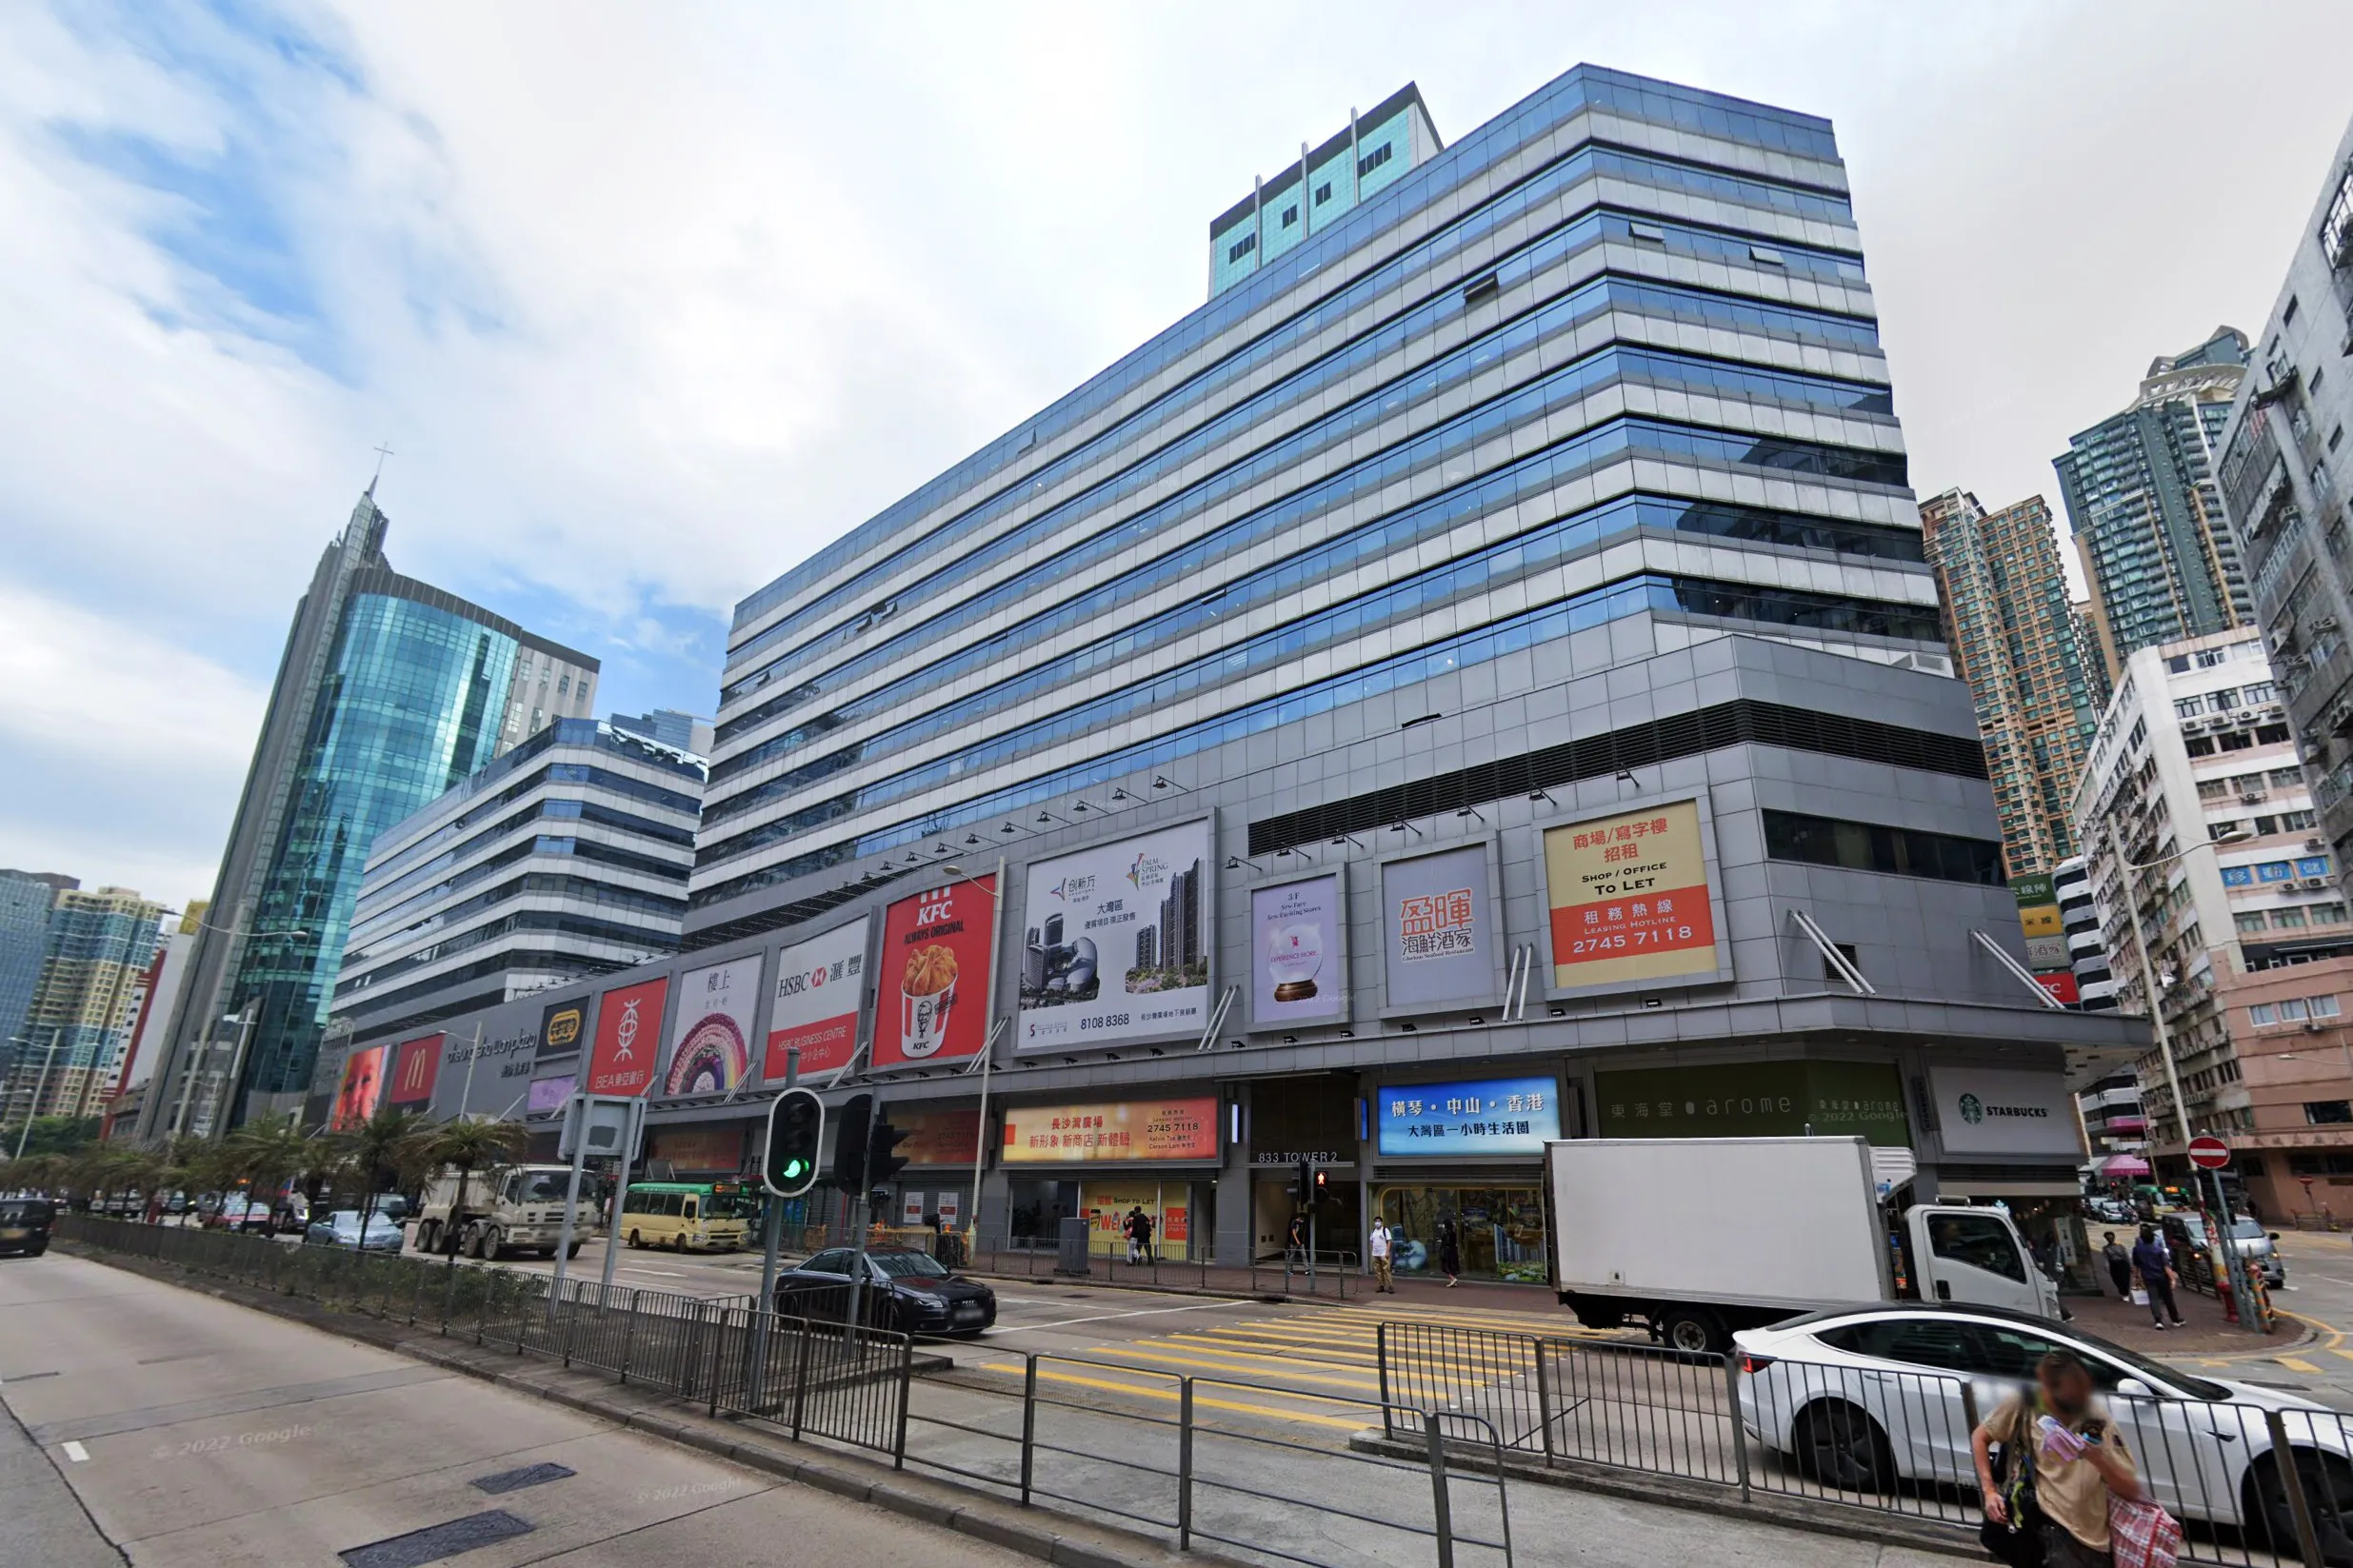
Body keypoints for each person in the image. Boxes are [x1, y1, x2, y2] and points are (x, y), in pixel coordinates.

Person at [1971, 1349, 2141, 1568]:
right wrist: (1990, 1492)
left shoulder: (2098, 1419)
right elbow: (1980, 1437)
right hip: (2044, 1530)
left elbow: (2129, 1489)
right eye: (2066, 1400)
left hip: (2090, 1540)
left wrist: (2098, 1459)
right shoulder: (2026, 1404)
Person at [2131, 1223, 2184, 1330]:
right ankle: (2175, 1319)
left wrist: (2135, 1277)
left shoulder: (2137, 1250)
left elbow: (2136, 1265)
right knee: (2168, 1299)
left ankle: (2158, 1321)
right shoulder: (2158, 1250)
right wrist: (2172, 1279)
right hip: (2162, 1277)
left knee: (2153, 1299)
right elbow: (2166, 1266)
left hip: (2147, 1277)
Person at [2100, 1231, 2134, 1301]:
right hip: (2113, 1265)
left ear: (2114, 1237)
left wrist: (2131, 1266)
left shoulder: (2120, 1246)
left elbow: (2126, 1256)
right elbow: (2106, 1258)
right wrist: (2107, 1266)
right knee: (2117, 1280)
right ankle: (2123, 1292)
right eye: (2108, 1238)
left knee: (2125, 1280)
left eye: (2111, 1237)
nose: (2110, 1239)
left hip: (2123, 1264)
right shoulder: (2105, 1248)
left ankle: (2126, 1293)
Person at [1368, 1217, 1394, 1294]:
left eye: (1378, 1221)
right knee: (1378, 1271)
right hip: (1375, 1254)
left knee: (1386, 1270)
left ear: (1381, 1222)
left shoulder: (1385, 1230)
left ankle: (1390, 1286)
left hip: (1383, 1253)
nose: (1377, 1222)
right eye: (1376, 1221)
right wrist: (1372, 1250)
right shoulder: (1373, 1231)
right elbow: (1371, 1241)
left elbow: (1389, 1241)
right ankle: (1381, 1286)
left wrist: (1387, 1252)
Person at [1437, 1219, 1462, 1288]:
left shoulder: (1446, 1233)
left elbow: (1444, 1241)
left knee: (1445, 1266)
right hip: (1452, 1251)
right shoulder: (1453, 1232)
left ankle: (1453, 1279)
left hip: (1447, 1251)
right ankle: (1453, 1280)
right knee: (1450, 1266)